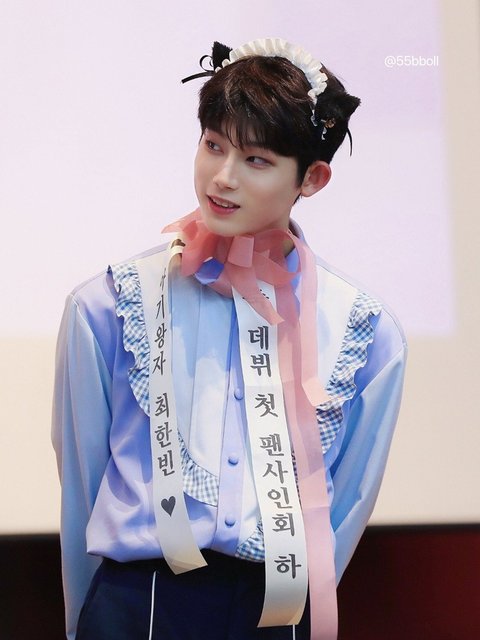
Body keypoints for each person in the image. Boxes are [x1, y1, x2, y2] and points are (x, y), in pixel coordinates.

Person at [52, 38, 407, 640]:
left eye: (256, 160)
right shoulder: (108, 305)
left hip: (277, 609)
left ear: (313, 178)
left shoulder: (365, 332)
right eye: (213, 145)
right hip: (136, 602)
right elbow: (81, 481)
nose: (222, 177)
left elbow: (347, 503)